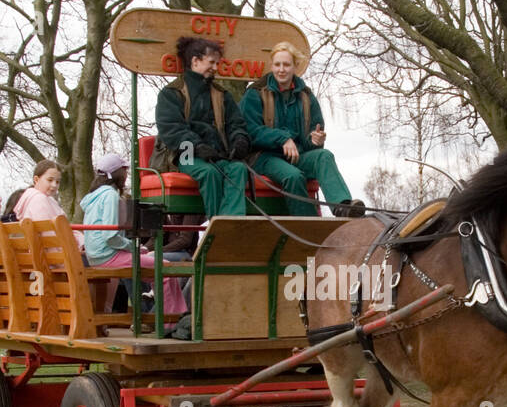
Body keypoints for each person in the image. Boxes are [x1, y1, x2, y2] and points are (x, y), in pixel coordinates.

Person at [241, 41, 364, 218]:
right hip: (264, 157)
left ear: (295, 67)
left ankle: (342, 207)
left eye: (286, 65)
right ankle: (309, 226)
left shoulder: (306, 97)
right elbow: (249, 130)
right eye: (277, 64)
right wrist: (282, 138)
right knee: (293, 176)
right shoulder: (256, 93)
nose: (281, 69)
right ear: (272, 66)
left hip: (296, 155)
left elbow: (311, 137)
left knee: (324, 156)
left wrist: (315, 140)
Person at [153, 36, 252, 217]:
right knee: (209, 173)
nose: (215, 68)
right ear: (195, 61)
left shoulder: (222, 95)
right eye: (212, 62)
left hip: (216, 154)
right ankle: (214, 223)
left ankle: (230, 222)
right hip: (184, 153)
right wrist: (197, 146)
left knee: (238, 169)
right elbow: (172, 130)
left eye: (217, 63)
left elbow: (236, 123)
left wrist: (239, 140)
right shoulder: (171, 93)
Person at [81, 153, 186, 316]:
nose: (126, 174)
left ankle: (155, 314)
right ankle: (170, 321)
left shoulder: (93, 197)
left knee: (153, 263)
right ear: (118, 172)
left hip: (96, 256)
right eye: (125, 170)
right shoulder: (110, 195)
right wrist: (134, 246)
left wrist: (134, 248)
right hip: (108, 256)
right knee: (165, 267)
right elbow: (110, 236)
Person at [14, 158, 84, 250]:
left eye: (57, 182)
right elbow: (50, 237)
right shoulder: (39, 200)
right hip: (55, 259)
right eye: (50, 180)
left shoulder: (34, 199)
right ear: (36, 179)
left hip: (45, 257)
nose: (54, 185)